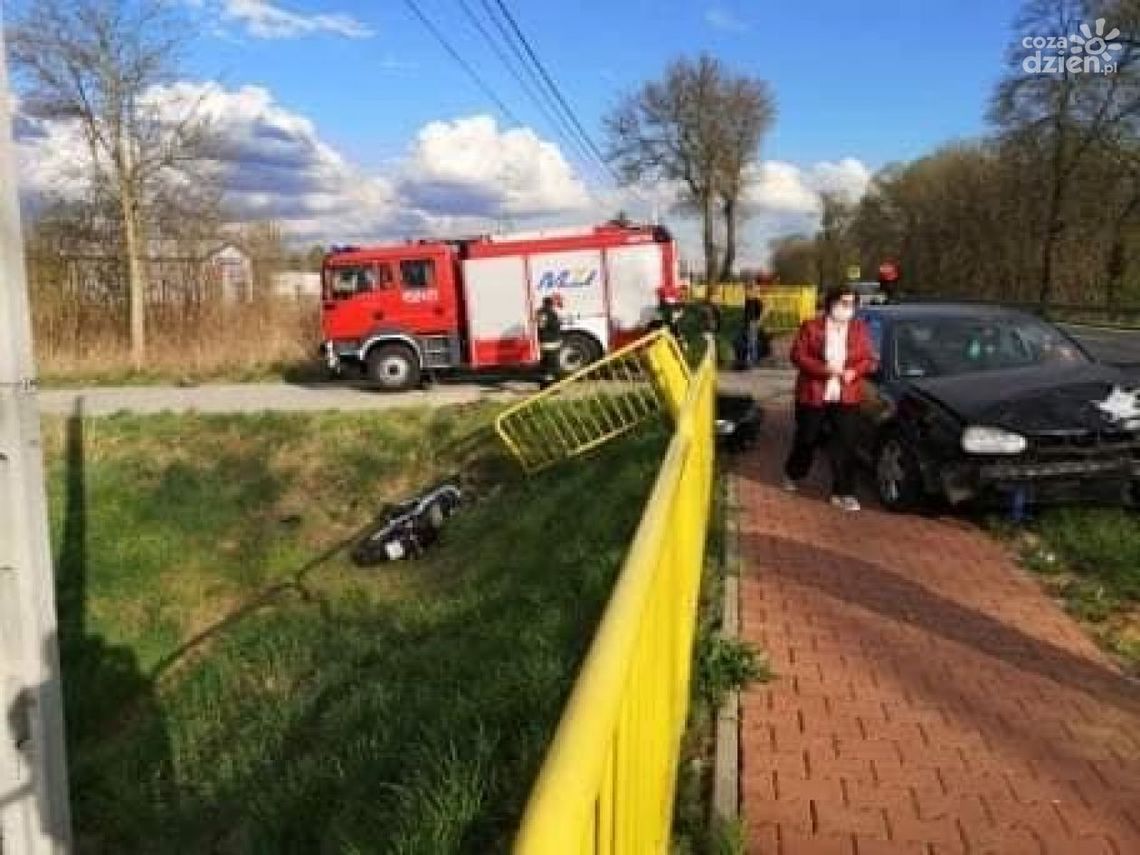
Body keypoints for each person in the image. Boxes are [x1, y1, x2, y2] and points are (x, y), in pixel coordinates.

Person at [783, 285, 877, 512]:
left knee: (846, 443)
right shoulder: (811, 326)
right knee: (808, 438)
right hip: (814, 392)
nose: (848, 308)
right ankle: (794, 472)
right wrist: (826, 370)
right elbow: (797, 355)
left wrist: (854, 372)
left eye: (852, 304)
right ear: (831, 303)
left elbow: (867, 358)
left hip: (847, 395)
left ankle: (843, 492)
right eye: (843, 303)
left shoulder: (859, 328)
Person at [536, 295, 563, 388]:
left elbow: (540, 326)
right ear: (550, 304)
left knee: (545, 364)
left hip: (543, 342)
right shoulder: (550, 313)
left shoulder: (539, 312)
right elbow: (554, 326)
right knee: (552, 366)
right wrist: (559, 323)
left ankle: (543, 384)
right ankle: (549, 387)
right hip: (552, 343)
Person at [742, 280, 766, 366]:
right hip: (747, 322)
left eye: (748, 290)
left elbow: (762, 312)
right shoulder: (747, 300)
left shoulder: (756, 301)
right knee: (749, 340)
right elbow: (746, 312)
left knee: (751, 341)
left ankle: (751, 359)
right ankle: (750, 358)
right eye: (746, 290)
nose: (746, 292)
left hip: (753, 323)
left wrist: (759, 321)